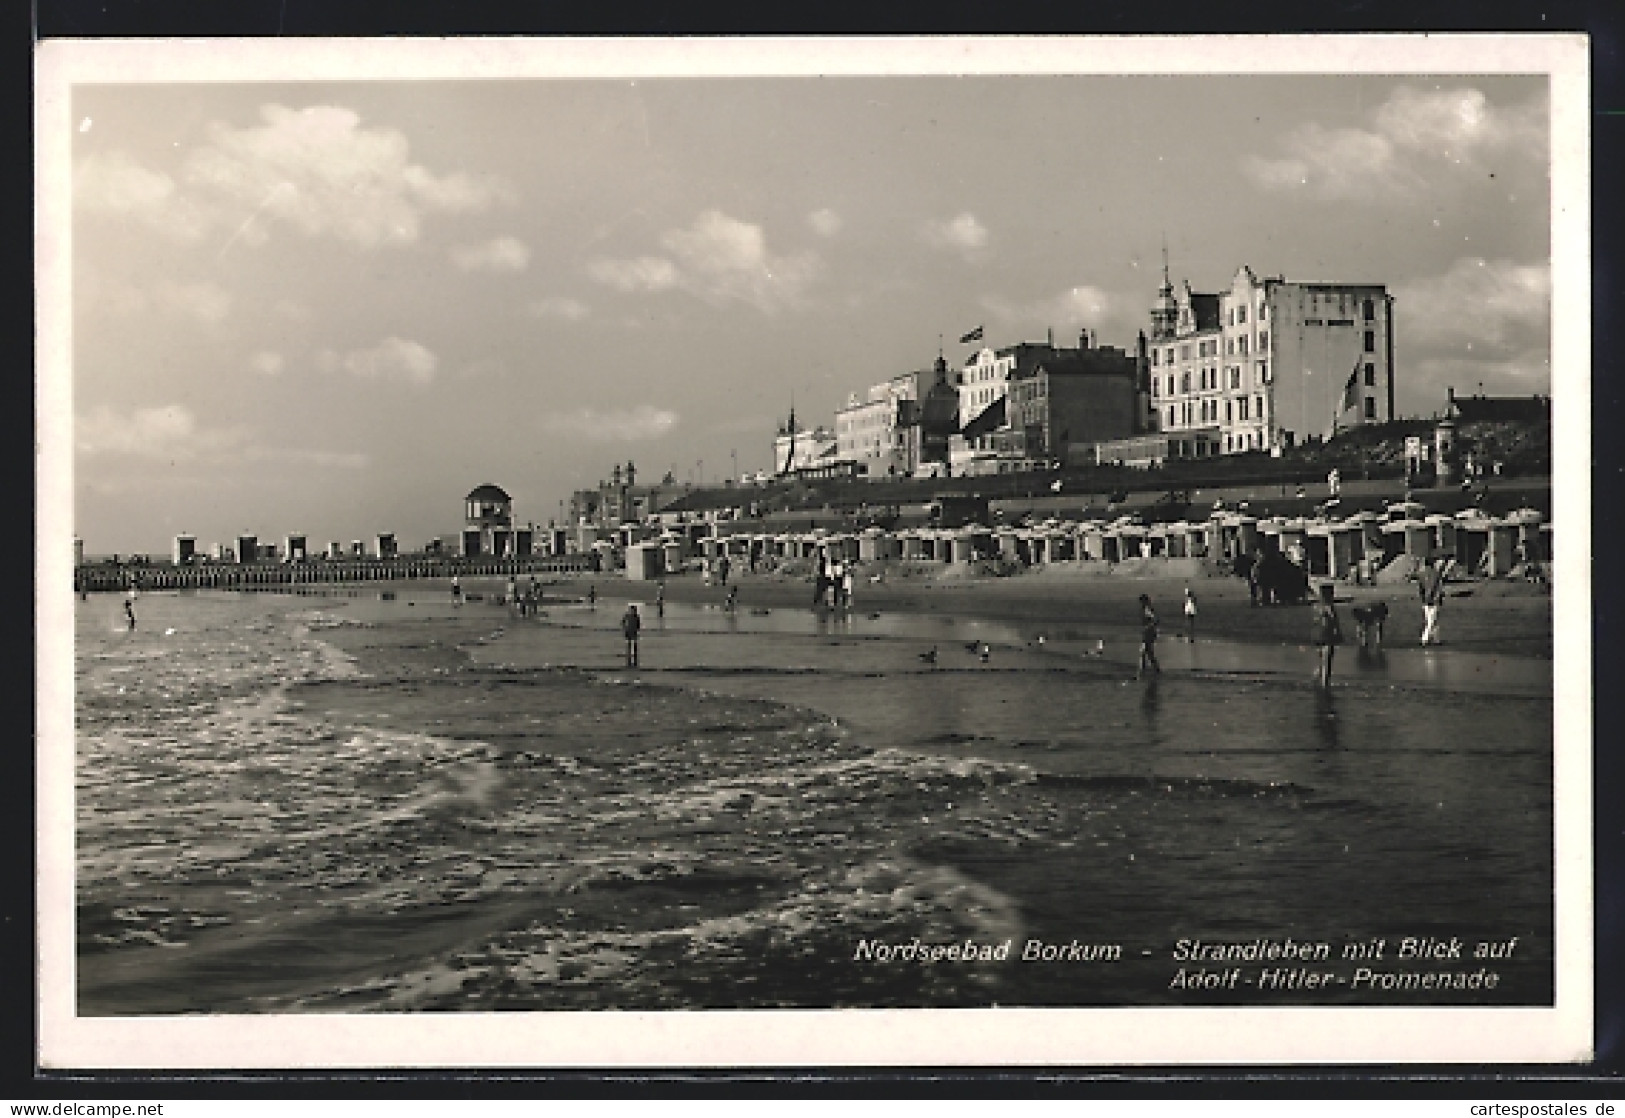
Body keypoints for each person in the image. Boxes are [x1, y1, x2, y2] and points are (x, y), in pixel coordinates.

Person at [1311, 582, 1342, 687]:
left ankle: (1316, 682)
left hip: (1318, 636)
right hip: (1328, 636)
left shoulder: (1317, 606)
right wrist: (1338, 633)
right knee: (1327, 663)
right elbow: (1334, 621)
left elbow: (1315, 622)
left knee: (1320, 661)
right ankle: (1325, 685)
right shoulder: (1329, 607)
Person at [1418, 556, 1446, 646]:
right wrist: (1439, 596)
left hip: (1425, 600)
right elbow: (1437, 587)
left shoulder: (1421, 574)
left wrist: (1423, 599)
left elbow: (1421, 588)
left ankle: (1436, 638)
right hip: (1434, 599)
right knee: (1432, 620)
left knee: (1430, 619)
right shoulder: (1435, 573)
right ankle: (1425, 638)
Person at [1136, 594, 1160, 679]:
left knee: (1143, 651)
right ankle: (1156, 669)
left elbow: (1156, 620)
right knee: (1149, 652)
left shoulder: (1147, 609)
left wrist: (1148, 627)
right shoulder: (1147, 609)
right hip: (1149, 632)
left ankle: (1141, 671)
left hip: (1149, 632)